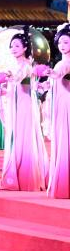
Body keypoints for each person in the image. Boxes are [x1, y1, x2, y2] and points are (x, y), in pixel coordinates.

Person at [0, 29, 47, 191]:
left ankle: (27, 176)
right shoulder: (14, 66)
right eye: (12, 46)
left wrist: (9, 76)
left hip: (25, 105)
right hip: (15, 104)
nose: (13, 49)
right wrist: (3, 90)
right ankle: (15, 174)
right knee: (15, 135)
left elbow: (19, 77)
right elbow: (13, 86)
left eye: (17, 46)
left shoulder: (27, 65)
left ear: (25, 48)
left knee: (24, 136)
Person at [48, 24, 70, 198]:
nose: (62, 45)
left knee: (65, 137)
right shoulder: (60, 63)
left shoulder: (64, 64)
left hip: (66, 103)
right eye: (60, 42)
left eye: (66, 42)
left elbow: (59, 74)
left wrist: (51, 73)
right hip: (60, 101)